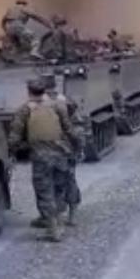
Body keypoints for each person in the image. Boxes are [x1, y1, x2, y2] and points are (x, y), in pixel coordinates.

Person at [8, 77, 76, 241]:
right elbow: (70, 130)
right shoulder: (58, 106)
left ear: (29, 91)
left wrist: (12, 152)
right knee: (59, 189)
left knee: (44, 191)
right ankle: (59, 223)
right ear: (45, 90)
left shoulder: (24, 110)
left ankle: (53, 230)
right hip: (60, 154)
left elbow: (14, 137)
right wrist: (76, 147)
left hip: (40, 157)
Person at [41, 74, 82, 227]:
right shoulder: (66, 101)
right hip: (66, 147)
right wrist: (78, 147)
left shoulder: (39, 103)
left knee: (51, 184)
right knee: (70, 181)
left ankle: (54, 220)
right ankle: (71, 216)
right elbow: (77, 124)